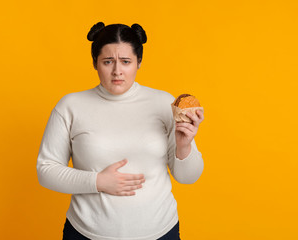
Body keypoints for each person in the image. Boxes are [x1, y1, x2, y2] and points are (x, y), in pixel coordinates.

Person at [36, 22, 204, 240]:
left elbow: (188, 177)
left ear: (139, 63)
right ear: (95, 63)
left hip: (161, 232)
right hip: (86, 233)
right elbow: (45, 170)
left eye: (126, 62)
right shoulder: (70, 106)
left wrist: (184, 145)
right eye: (108, 62)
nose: (117, 71)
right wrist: (98, 182)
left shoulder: (163, 103)